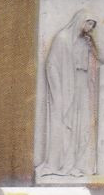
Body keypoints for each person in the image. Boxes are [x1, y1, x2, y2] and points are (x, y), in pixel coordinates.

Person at [35, 11, 99, 178]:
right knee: (65, 125)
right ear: (80, 21)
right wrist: (58, 91)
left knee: (82, 125)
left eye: (93, 25)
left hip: (81, 85)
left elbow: (97, 61)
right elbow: (51, 64)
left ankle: (78, 164)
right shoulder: (62, 39)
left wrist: (91, 46)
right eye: (89, 23)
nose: (90, 27)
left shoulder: (86, 42)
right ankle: (62, 163)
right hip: (65, 87)